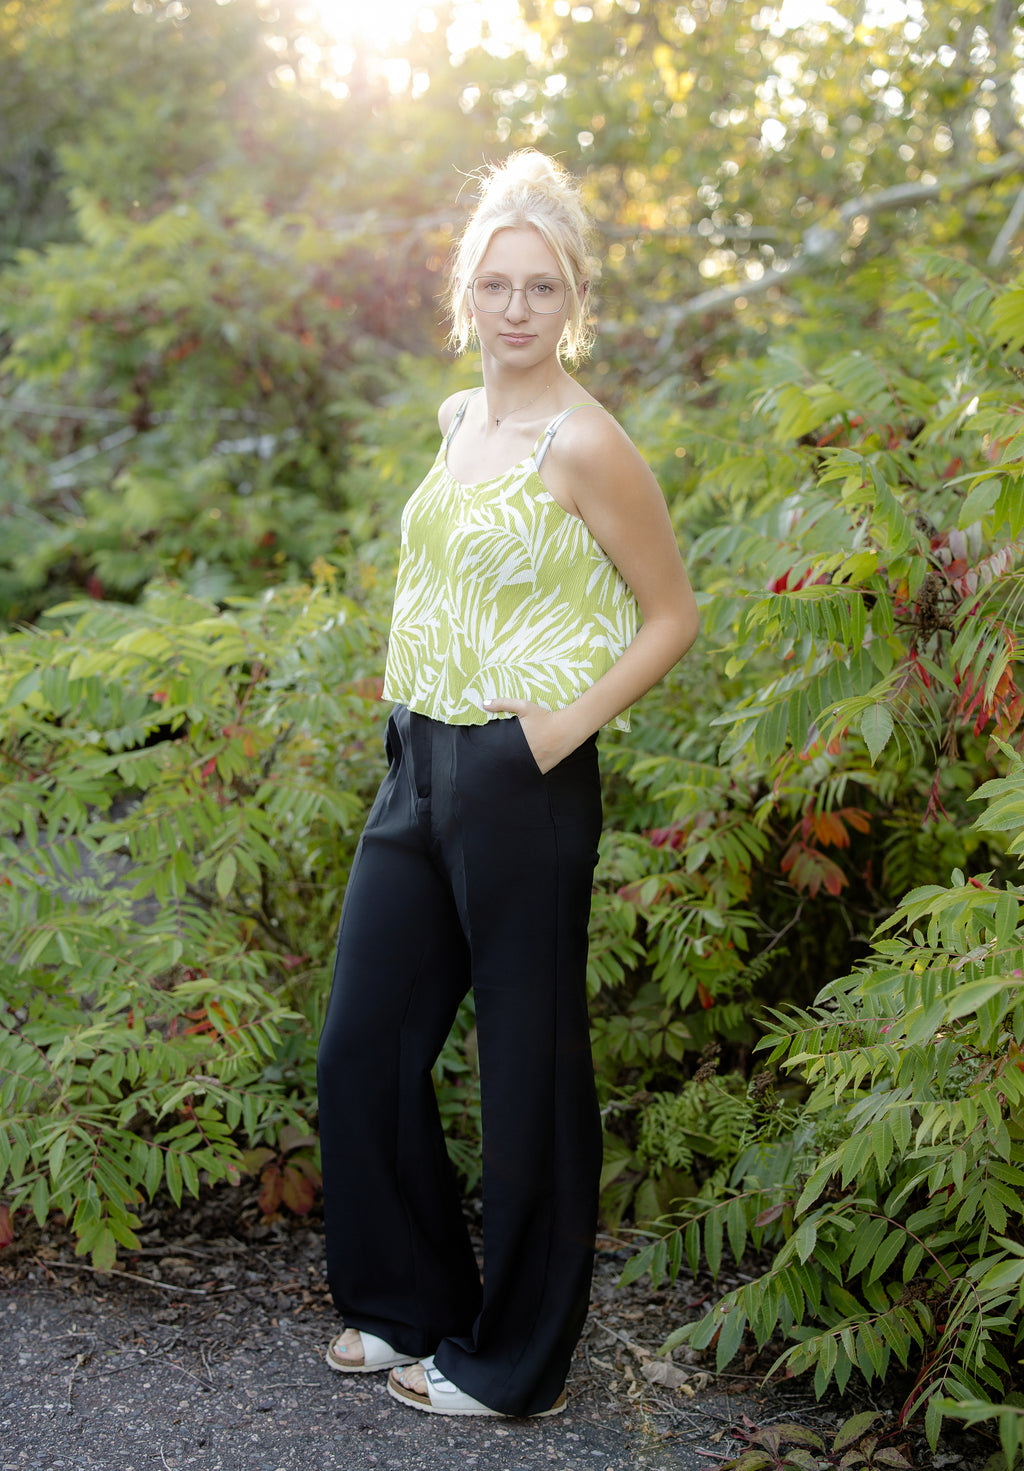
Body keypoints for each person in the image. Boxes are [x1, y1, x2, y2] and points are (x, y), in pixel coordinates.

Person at [316, 150, 699, 1420]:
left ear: (572, 299)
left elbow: (671, 615)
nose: (517, 306)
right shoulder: (456, 421)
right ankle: (406, 1302)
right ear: (466, 295)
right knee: (363, 1046)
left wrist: (554, 732)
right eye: (496, 283)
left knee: (527, 1074)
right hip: (415, 762)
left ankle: (513, 1363)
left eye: (541, 286)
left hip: (519, 777)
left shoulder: (586, 442)